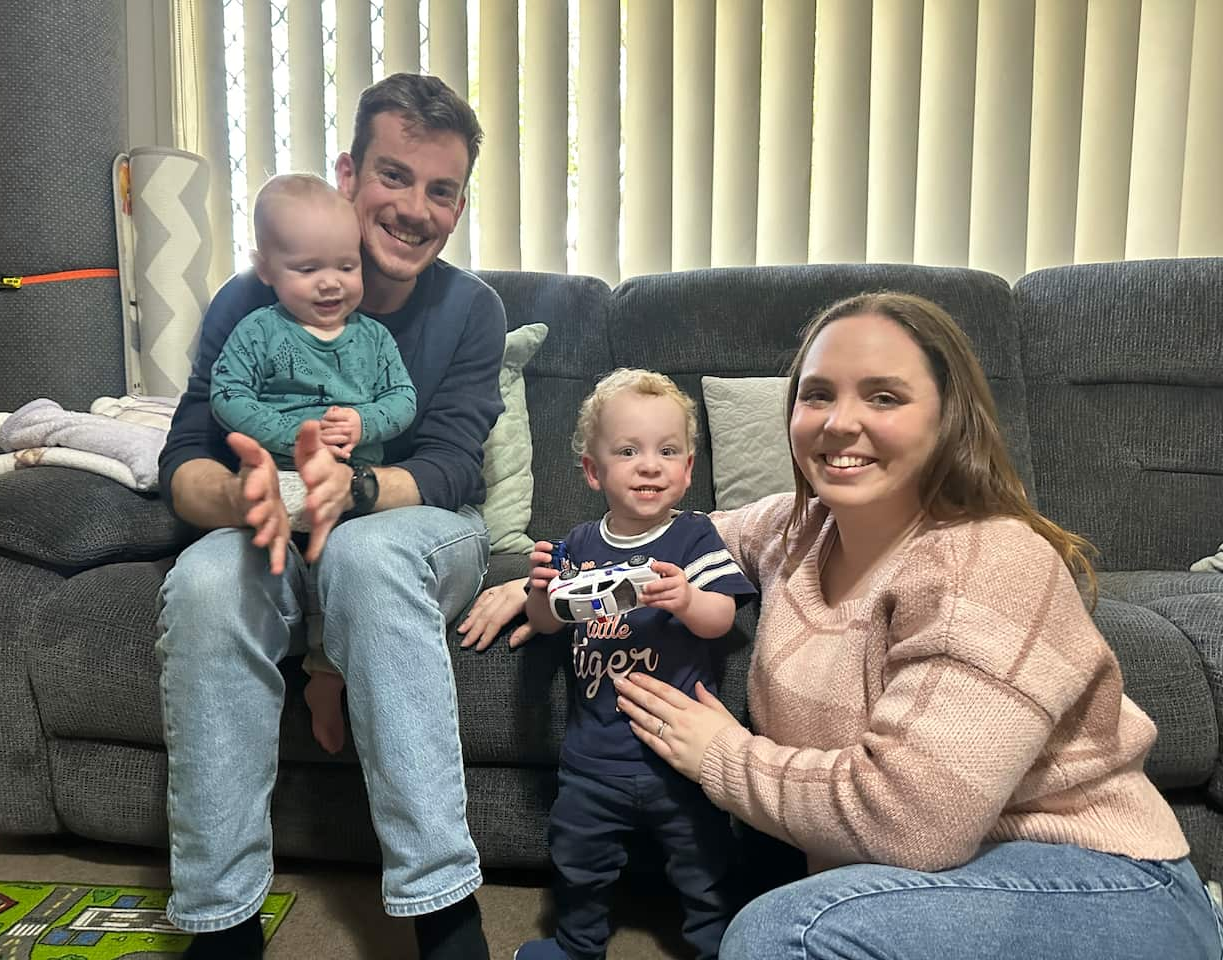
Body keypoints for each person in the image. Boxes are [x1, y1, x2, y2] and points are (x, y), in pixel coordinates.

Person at [463, 292, 1223, 958]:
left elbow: (910, 825)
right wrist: (548, 586)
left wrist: (725, 753)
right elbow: (680, 533)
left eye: (884, 397)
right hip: (910, 886)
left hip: (1087, 878)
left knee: (783, 935)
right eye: (817, 394)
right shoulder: (800, 528)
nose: (840, 421)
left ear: (950, 418)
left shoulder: (986, 565)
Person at [156, 73, 505, 960]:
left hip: (419, 523)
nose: (416, 209)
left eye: (442, 190)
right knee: (202, 582)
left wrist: (347, 493)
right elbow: (183, 460)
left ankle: (444, 914)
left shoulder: (471, 310)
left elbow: (452, 465)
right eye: (395, 176)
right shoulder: (254, 302)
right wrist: (252, 497)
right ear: (350, 174)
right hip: (277, 513)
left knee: (366, 559)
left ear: (459, 206)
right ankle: (222, 923)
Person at [515, 369, 755, 960]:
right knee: (577, 859)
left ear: (689, 469)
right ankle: (576, 946)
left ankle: (715, 947)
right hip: (593, 755)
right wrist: (541, 591)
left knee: (704, 865)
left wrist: (689, 600)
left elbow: (723, 618)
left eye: (667, 451)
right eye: (629, 451)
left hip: (677, 751)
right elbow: (548, 623)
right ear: (594, 472)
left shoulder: (693, 539)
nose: (650, 466)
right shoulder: (578, 543)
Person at [211, 172, 418, 755]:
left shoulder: (373, 339)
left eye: (346, 267)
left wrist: (362, 423)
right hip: (283, 476)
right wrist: (296, 437)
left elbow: (403, 399)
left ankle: (325, 678)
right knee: (261, 558)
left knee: (355, 567)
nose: (331, 284)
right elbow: (227, 396)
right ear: (267, 268)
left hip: (353, 489)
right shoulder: (259, 330)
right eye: (307, 270)